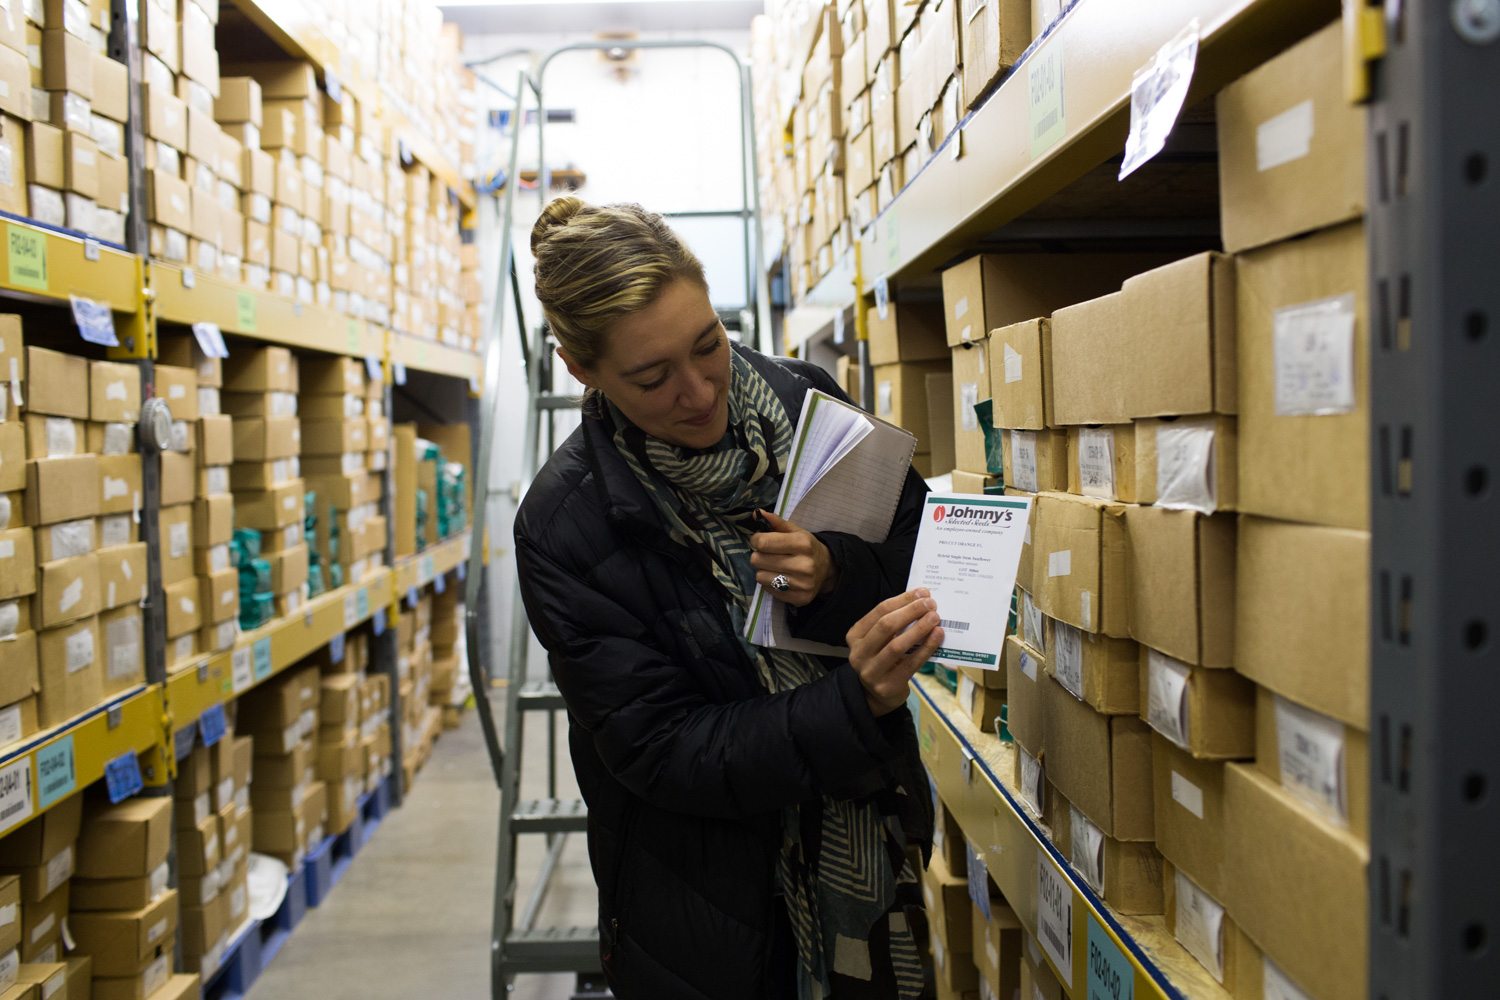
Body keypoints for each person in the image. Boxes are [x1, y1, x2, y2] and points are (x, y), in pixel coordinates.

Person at [514, 196, 944, 1000]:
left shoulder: (805, 402)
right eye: (652, 377)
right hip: (708, 917)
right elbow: (660, 750)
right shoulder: (562, 526)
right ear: (582, 370)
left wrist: (833, 572)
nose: (701, 390)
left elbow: (922, 554)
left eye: (707, 344)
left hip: (874, 845)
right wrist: (855, 704)